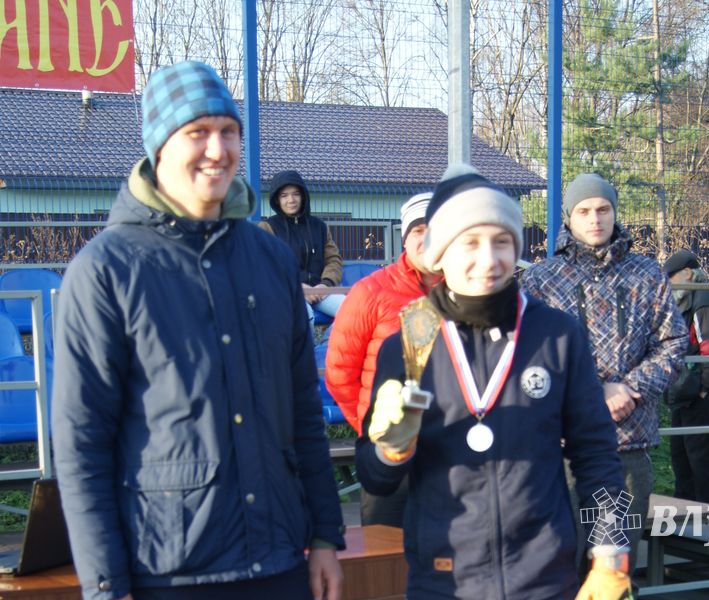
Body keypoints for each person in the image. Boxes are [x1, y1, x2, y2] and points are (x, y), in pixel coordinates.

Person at [51, 61, 345, 600]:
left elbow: (302, 410)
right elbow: (81, 443)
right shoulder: (105, 270)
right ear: (159, 145)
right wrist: (105, 585)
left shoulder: (270, 259)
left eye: (228, 131)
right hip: (168, 572)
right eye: (197, 133)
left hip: (279, 561)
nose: (218, 149)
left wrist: (326, 533)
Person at [355, 165, 627, 599]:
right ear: (440, 252)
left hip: (543, 580)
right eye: (470, 243)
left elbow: (597, 453)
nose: (489, 259)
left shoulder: (556, 334)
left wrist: (613, 551)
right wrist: (391, 450)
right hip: (445, 582)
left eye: (502, 241)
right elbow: (374, 478)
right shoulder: (409, 339)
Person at [520, 173, 688, 575]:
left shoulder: (647, 275)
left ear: (614, 213)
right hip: (560, 447)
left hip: (627, 444)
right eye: (584, 211)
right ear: (569, 217)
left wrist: (628, 388)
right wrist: (593, 393)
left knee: (615, 568)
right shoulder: (542, 280)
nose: (594, 218)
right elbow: (528, 359)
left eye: (603, 209)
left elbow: (674, 343)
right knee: (555, 564)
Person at [326, 192, 440, 527]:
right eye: (419, 230)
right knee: (385, 561)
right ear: (405, 238)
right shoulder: (370, 292)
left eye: (435, 228)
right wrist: (374, 428)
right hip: (388, 450)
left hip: (448, 452)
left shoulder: (465, 294)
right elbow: (339, 373)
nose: (428, 238)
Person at [663, 250, 709, 505]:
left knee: (699, 455)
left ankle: (706, 512)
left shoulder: (703, 300)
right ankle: (685, 510)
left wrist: (703, 388)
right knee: (681, 454)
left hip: (697, 390)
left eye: (671, 277)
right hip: (683, 390)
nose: (668, 283)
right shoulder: (686, 300)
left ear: (688, 273)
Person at [260, 169, 345, 324]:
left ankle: (334, 347)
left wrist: (325, 285)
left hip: (321, 291)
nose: (291, 200)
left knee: (353, 310)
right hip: (289, 292)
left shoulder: (319, 226)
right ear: (277, 200)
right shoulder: (267, 227)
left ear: (303, 196)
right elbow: (265, 267)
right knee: (304, 316)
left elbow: (333, 260)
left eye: (296, 194)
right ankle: (306, 349)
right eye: (284, 195)